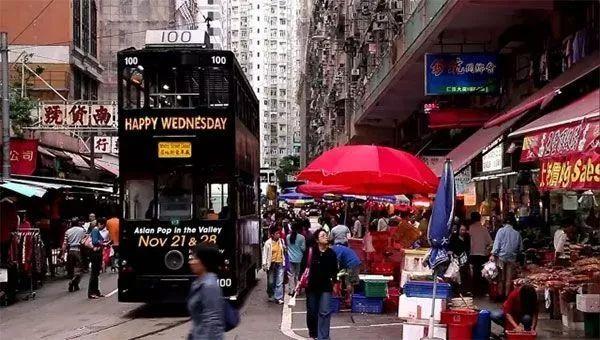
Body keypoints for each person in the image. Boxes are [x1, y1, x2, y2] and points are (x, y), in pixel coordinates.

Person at [305, 229, 338, 340]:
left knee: (325, 311)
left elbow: (335, 270)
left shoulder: (331, 253)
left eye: (326, 235)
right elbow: (303, 269)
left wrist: (335, 283)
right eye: (322, 235)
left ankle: (323, 337)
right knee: (312, 312)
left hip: (326, 286)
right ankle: (313, 333)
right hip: (311, 286)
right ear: (317, 240)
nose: (325, 237)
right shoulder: (310, 252)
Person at [188, 245, 224, 340]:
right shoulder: (198, 282)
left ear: (204, 262)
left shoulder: (209, 285)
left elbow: (213, 320)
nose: (191, 262)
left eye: (195, 258)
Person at [490, 213, 523, 298]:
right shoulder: (517, 233)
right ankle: (507, 296)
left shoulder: (501, 231)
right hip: (512, 258)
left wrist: (493, 254)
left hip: (501, 257)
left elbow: (496, 244)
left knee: (501, 278)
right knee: (509, 279)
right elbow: (520, 248)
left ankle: (500, 295)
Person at [468, 212, 492, 296]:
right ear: (479, 218)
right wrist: (487, 250)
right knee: (483, 273)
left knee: (474, 273)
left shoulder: (470, 229)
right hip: (482, 255)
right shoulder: (484, 229)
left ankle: (474, 291)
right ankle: (483, 291)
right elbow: (490, 243)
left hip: (472, 254)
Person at [262, 225, 286, 304]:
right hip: (271, 264)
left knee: (279, 281)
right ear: (272, 235)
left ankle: (278, 297)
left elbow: (284, 251)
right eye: (276, 233)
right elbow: (265, 254)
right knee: (271, 281)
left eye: (278, 233)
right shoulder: (268, 243)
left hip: (280, 263)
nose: (278, 235)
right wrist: (264, 264)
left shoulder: (281, 241)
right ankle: (270, 293)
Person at [61, 218, 86, 292]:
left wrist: (63, 254)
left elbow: (65, 243)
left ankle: (74, 284)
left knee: (71, 268)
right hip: (78, 250)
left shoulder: (68, 231)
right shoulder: (82, 230)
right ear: (78, 223)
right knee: (79, 268)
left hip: (70, 250)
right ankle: (74, 281)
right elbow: (85, 239)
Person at [449, 224, 471, 294]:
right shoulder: (454, 237)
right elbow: (451, 247)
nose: (463, 231)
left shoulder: (467, 237)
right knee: (456, 273)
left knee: (464, 274)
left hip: (465, 258)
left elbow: (468, 248)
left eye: (464, 230)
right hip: (456, 258)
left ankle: (464, 290)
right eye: (461, 230)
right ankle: (456, 291)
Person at [88, 217, 106, 299]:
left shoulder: (96, 230)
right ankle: (91, 292)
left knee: (96, 273)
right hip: (95, 253)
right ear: (100, 224)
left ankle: (96, 291)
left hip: (97, 253)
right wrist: (101, 242)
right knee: (94, 273)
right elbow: (95, 241)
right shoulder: (95, 230)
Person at [287, 222, 306, 295]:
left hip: (290, 258)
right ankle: (297, 290)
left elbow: (288, 246)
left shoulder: (288, 236)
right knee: (297, 274)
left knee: (291, 274)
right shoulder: (302, 237)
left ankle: (291, 290)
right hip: (299, 258)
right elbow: (303, 249)